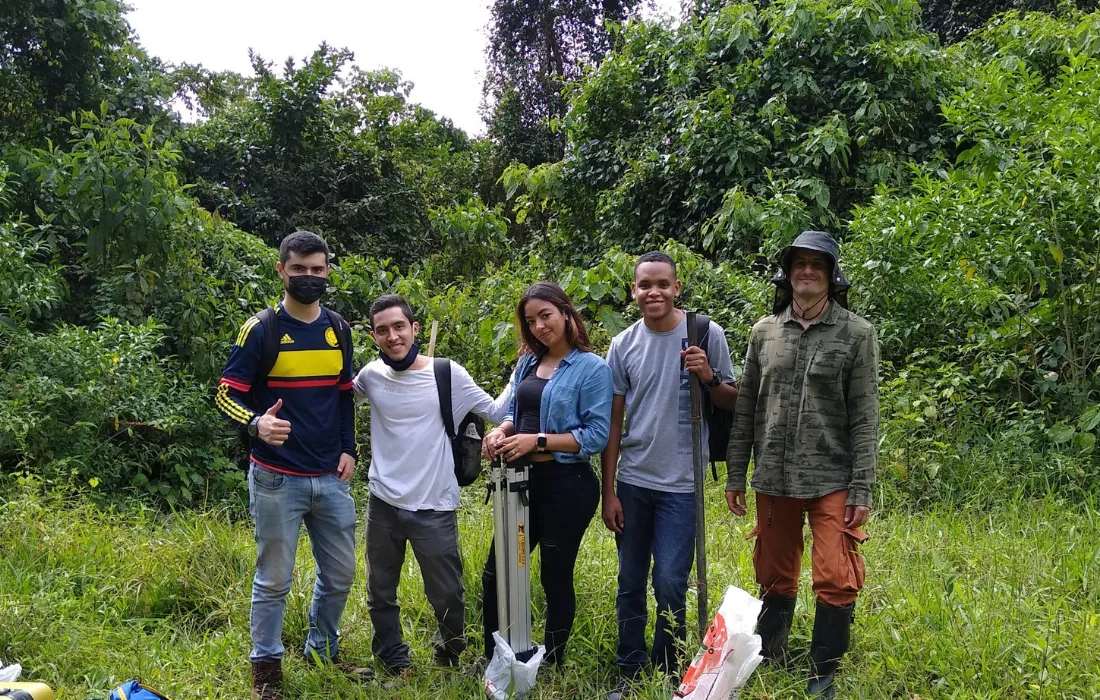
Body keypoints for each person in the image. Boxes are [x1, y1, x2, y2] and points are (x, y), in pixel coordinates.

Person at [725, 230, 879, 699]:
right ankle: (771, 656)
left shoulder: (857, 333)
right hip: (772, 474)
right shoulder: (763, 332)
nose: (807, 271)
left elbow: (865, 415)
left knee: (835, 574)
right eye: (799, 264)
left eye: (817, 264)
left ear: (832, 275)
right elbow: (746, 406)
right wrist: (735, 472)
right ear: (787, 273)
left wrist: (863, 488)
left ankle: (823, 672)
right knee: (773, 570)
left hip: (832, 475)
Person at [215, 230, 363, 700]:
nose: (309, 277)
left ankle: (322, 649)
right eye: (299, 269)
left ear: (327, 271)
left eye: (317, 269)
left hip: (330, 475)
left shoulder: (338, 328)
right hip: (276, 477)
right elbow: (225, 393)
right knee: (274, 579)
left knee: (340, 574)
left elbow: (343, 395)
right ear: (281, 270)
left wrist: (350, 449)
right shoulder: (259, 329)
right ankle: (267, 669)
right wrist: (256, 423)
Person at [601, 252, 738, 699]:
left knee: (672, 582)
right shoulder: (622, 345)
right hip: (634, 481)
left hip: (684, 485)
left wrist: (708, 375)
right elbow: (614, 423)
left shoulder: (704, 332)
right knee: (630, 578)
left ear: (677, 288)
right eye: (645, 285)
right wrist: (609, 491)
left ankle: (666, 666)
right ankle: (629, 665)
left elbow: (733, 399)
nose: (653, 292)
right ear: (634, 291)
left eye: (663, 284)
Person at [352, 294, 510, 677]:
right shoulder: (370, 375)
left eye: (399, 327)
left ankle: (449, 654)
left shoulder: (446, 373)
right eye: (383, 330)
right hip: (382, 502)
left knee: (447, 595)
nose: (392, 336)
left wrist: (523, 367)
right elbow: (333, 398)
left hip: (434, 505)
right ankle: (393, 657)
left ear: (414, 328)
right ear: (374, 336)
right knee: (380, 591)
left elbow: (496, 411)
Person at [481, 282, 613, 668]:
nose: (539, 327)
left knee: (554, 574)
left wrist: (536, 441)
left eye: (546, 316)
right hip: (518, 483)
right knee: (498, 572)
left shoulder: (592, 368)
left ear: (566, 313)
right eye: (531, 321)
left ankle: (552, 662)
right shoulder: (527, 362)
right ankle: (496, 656)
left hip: (565, 486)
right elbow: (515, 412)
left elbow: (595, 436)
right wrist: (501, 431)